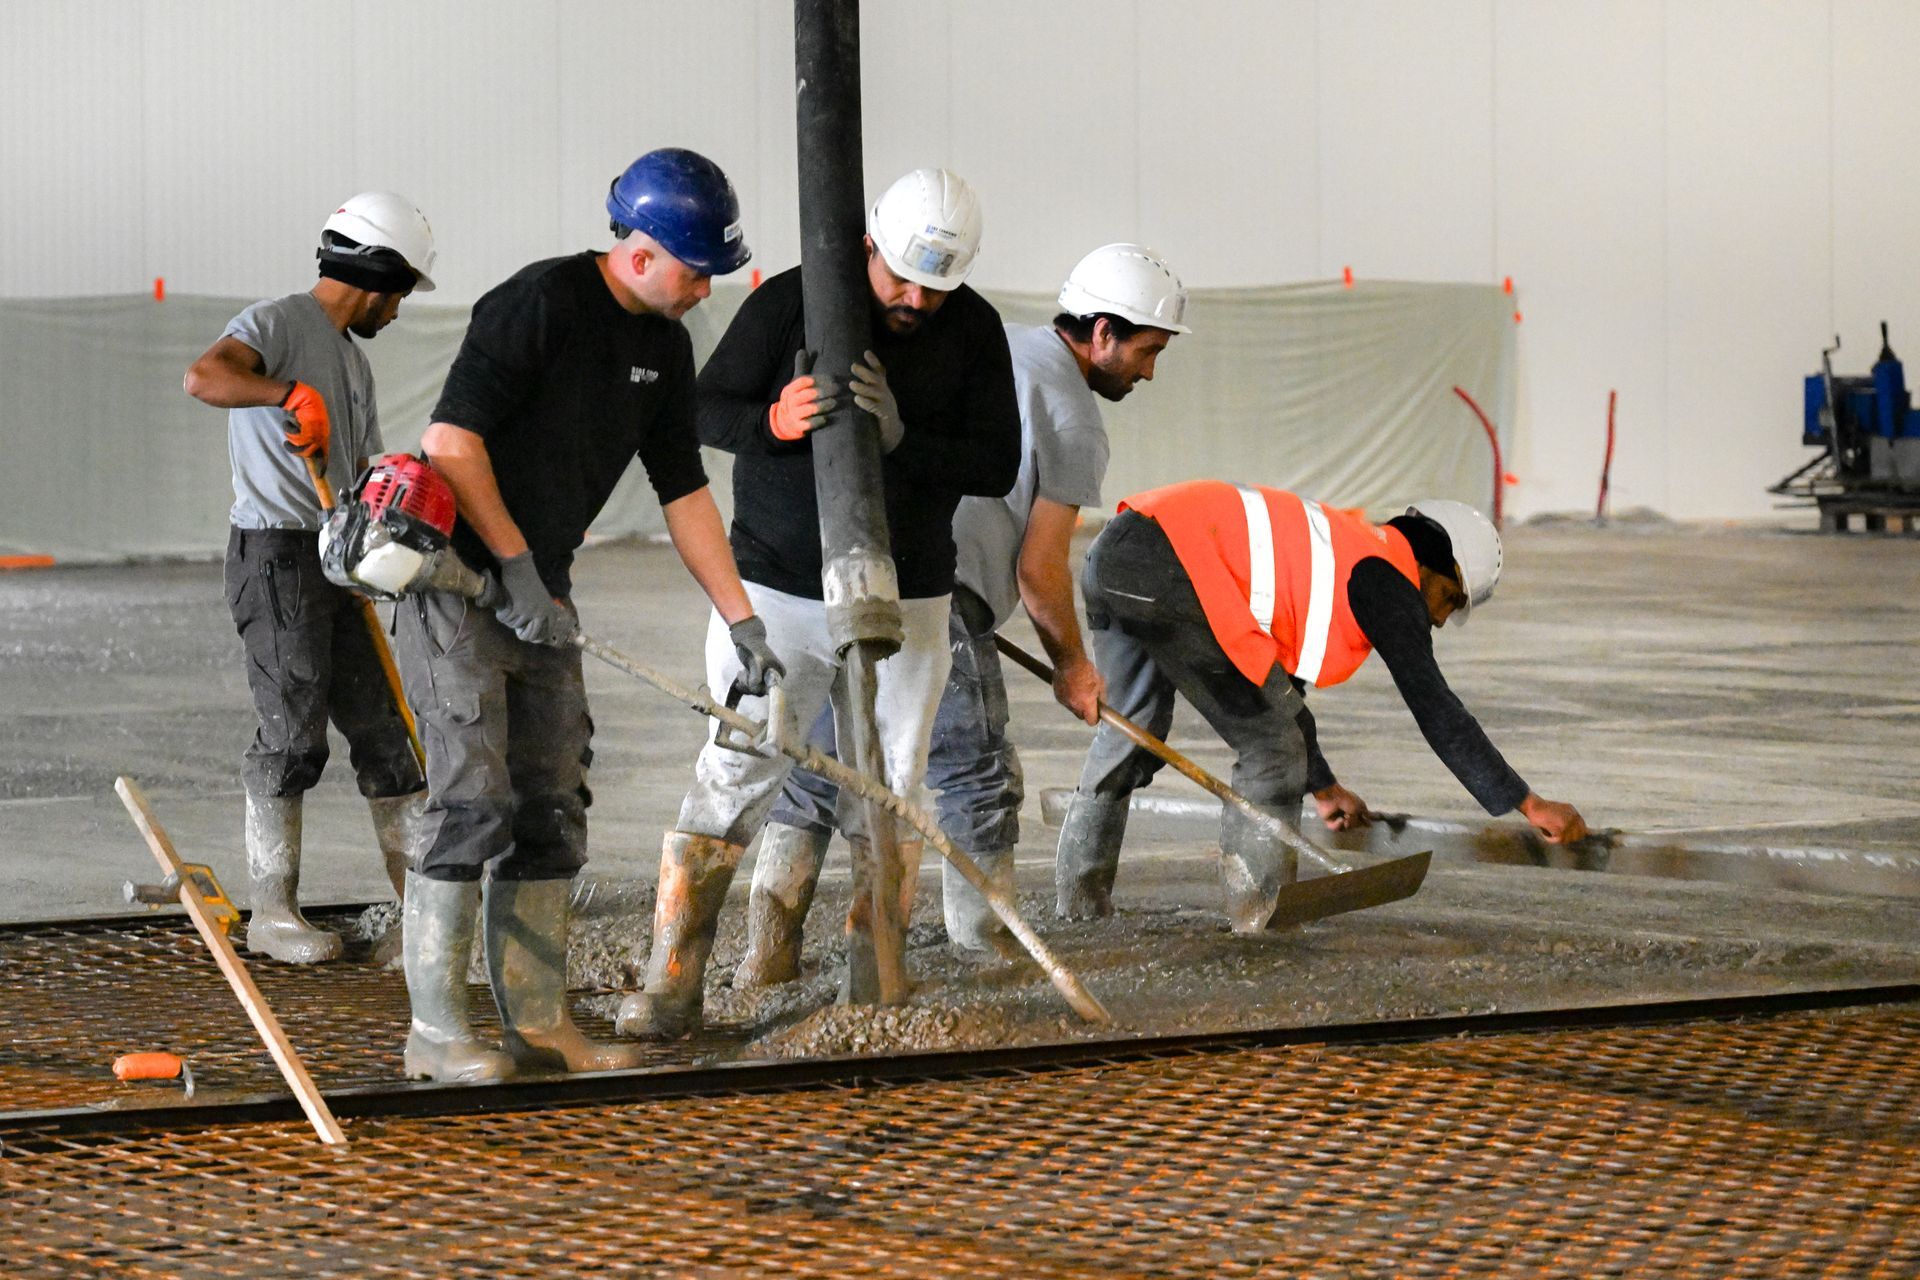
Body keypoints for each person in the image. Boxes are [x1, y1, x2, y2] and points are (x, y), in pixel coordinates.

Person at [393, 148, 778, 1082]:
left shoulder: (666, 347)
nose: (704, 292)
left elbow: (683, 489)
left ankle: (538, 1027)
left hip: (542, 596)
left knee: (552, 807)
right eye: (697, 273)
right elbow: (451, 441)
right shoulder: (540, 304)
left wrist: (740, 617)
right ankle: (437, 1034)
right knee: (470, 801)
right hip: (455, 587)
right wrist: (516, 568)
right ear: (640, 254)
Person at [618, 168, 1022, 1039]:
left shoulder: (975, 328)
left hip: (911, 594)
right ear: (868, 244)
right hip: (777, 587)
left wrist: (908, 440)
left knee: (892, 786)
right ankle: (675, 974)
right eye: (901, 277)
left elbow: (994, 463)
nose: (916, 299)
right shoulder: (791, 303)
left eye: (937, 287)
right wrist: (772, 420)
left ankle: (876, 976)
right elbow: (700, 409)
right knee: (736, 769)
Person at [738, 244, 1190, 980]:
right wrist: (1073, 667)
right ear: (1103, 332)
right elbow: (1040, 572)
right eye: (1146, 350)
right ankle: (985, 948)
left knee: (822, 767)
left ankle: (766, 952)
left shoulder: (995, 343)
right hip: (935, 598)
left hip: (846, 577)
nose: (1148, 371)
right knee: (974, 772)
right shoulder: (1076, 420)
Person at [1055, 481, 1589, 930]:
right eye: (1449, 598)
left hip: (1116, 553)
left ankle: (1079, 909)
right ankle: (1259, 920)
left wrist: (1325, 788)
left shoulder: (1344, 552)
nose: (1442, 618)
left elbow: (1277, 693)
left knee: (1132, 726)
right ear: (1434, 565)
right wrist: (1528, 803)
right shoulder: (1386, 577)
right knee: (1270, 750)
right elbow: (1435, 706)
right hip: (1170, 568)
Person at [183, 192, 438, 965]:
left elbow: (360, 478)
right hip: (277, 555)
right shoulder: (279, 322)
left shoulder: (353, 361)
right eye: (399, 295)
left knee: (388, 738)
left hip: (337, 557)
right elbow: (203, 377)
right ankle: (273, 913)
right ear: (379, 274)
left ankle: (423, 908)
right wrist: (282, 393)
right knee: (292, 733)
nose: (395, 313)